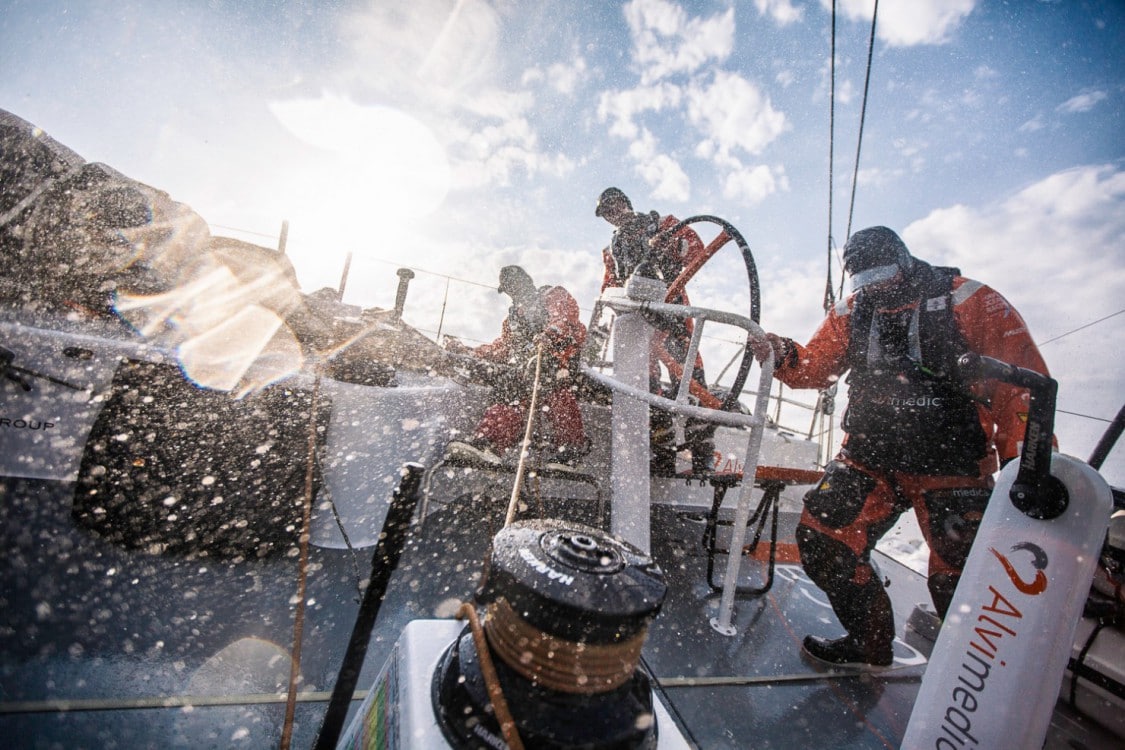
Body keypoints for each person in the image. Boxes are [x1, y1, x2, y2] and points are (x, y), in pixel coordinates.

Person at [751, 226, 1052, 668]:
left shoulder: (970, 300)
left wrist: (1025, 465)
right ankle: (869, 644)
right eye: (864, 281)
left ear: (906, 262)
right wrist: (782, 354)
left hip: (952, 464)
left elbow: (1021, 385)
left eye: (884, 275)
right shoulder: (850, 314)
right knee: (821, 539)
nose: (877, 288)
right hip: (871, 458)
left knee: (962, 580)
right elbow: (815, 367)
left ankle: (970, 682)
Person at [594, 187, 715, 475]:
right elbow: (609, 286)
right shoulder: (612, 251)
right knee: (648, 390)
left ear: (625, 203)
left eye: (614, 208)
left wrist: (667, 244)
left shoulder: (663, 225)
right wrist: (611, 304)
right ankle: (663, 454)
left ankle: (703, 453)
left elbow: (694, 251)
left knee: (690, 382)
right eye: (607, 213)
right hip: (638, 323)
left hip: (672, 314)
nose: (613, 216)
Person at [443, 265, 588, 469]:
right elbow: (502, 349)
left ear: (526, 282)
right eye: (509, 290)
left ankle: (571, 450)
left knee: (555, 391)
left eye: (515, 287)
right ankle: (490, 443)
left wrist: (548, 336)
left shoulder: (552, 295)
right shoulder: (512, 320)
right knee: (508, 387)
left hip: (558, 364)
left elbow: (563, 319)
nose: (513, 293)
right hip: (525, 372)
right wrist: (469, 352)